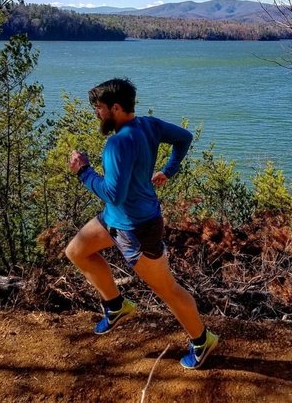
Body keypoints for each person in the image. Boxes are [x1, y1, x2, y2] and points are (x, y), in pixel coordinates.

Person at [65, 77, 218, 370]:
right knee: (76, 251)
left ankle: (202, 341)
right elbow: (184, 137)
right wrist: (168, 170)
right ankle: (116, 305)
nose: (96, 113)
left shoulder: (117, 144)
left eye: (99, 108)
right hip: (113, 218)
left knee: (168, 290)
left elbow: (113, 192)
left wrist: (84, 171)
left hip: (138, 229)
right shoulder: (149, 125)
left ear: (116, 107)